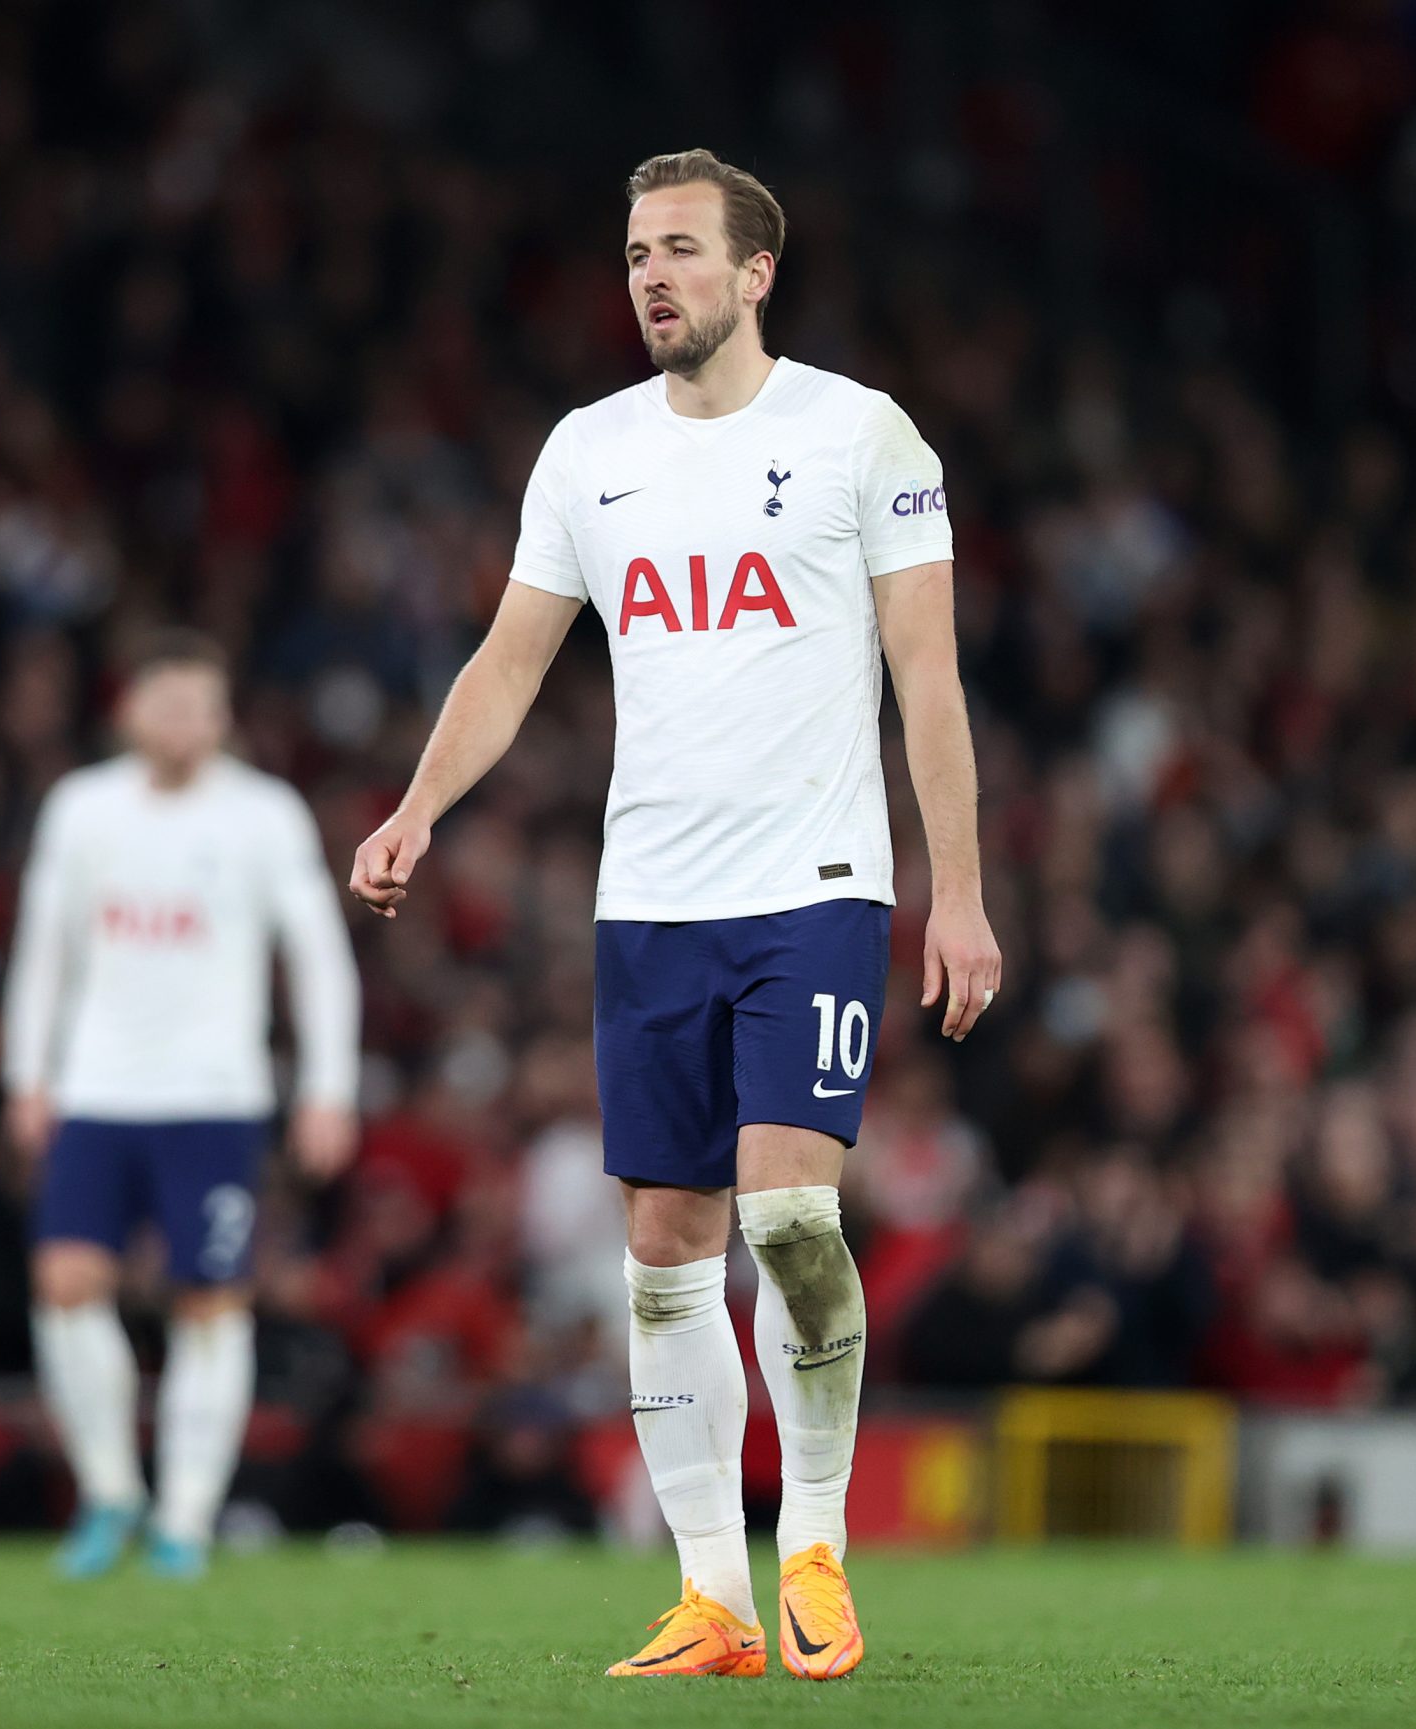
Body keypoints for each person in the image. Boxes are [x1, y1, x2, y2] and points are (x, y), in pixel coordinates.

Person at [349, 148, 998, 1681]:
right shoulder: (588, 452)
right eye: (639, 251)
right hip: (650, 901)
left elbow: (930, 680)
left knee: (788, 1216)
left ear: (756, 273)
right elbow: (511, 661)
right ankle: (712, 1594)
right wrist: (417, 805)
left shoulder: (861, 435)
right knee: (664, 1251)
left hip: (817, 894)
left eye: (685, 250)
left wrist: (959, 890)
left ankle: (820, 1545)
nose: (653, 275)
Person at [5, 633, 361, 1579]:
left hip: (214, 1095)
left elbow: (318, 952)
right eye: (164, 703)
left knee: (210, 1302)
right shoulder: (82, 809)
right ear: (129, 711)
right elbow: (46, 947)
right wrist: (26, 1074)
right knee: (67, 1286)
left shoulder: (262, 815)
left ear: (222, 715)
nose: (181, 723)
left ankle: (186, 1518)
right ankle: (111, 1490)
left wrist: (328, 1087)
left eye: (200, 704)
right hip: (99, 1086)